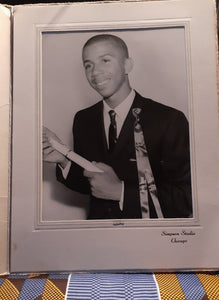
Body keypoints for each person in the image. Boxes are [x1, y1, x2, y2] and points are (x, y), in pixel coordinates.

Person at [43, 34, 192, 220]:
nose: (95, 72)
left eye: (105, 60)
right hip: (98, 239)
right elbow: (91, 184)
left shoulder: (169, 119)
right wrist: (64, 161)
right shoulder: (83, 119)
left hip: (150, 240)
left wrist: (120, 192)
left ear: (128, 65)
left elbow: (187, 198)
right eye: (88, 65)